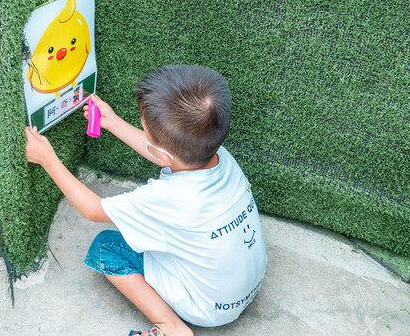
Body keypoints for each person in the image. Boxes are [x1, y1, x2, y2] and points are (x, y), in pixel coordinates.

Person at [24, 65, 267, 336]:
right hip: (249, 282)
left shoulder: (166, 198)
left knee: (106, 248)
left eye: (146, 132)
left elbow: (93, 209)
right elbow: (167, 155)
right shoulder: (222, 158)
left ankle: (171, 326)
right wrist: (113, 123)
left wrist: (48, 159)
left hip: (208, 308)